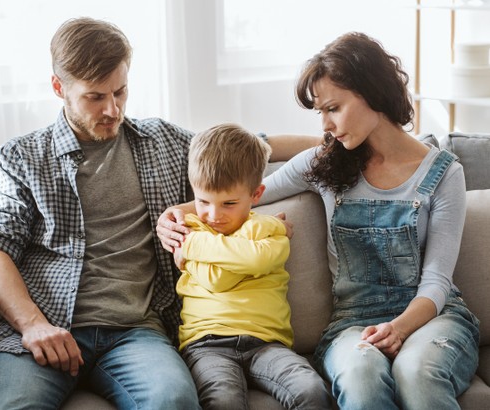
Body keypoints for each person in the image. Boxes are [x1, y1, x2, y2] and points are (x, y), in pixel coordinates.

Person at [0, 17, 320, 410]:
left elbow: (248, 149)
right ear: (59, 88)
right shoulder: (20, 158)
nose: (112, 109)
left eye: (120, 92)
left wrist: (333, 141)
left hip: (136, 332)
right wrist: (33, 325)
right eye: (95, 97)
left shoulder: (161, 142)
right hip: (49, 327)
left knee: (173, 401)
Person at [157, 32, 481, 410]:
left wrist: (400, 328)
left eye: (333, 108)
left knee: (417, 374)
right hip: (352, 322)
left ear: (372, 93)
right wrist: (175, 214)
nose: (325, 125)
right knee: (359, 378)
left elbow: (437, 281)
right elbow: (243, 192)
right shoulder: (325, 163)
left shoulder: (444, 174)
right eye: (320, 114)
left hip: (430, 319)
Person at [175, 123, 331, 409]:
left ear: (256, 195)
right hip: (206, 344)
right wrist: (238, 252)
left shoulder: (272, 228)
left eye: (229, 203)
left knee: (311, 390)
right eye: (203, 201)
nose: (214, 215)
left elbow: (256, 259)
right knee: (223, 400)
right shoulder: (191, 226)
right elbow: (216, 280)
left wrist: (191, 248)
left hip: (267, 343)